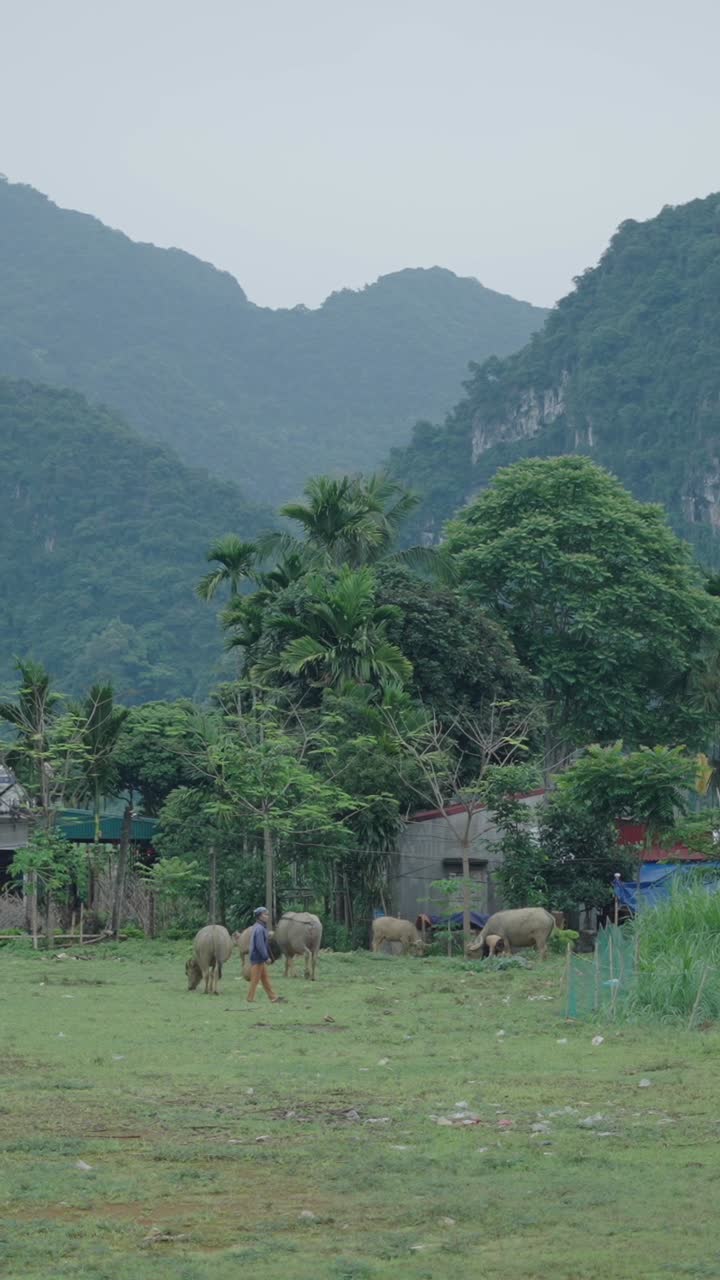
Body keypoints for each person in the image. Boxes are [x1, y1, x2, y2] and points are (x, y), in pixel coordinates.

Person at [247, 907, 280, 1004]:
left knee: (265, 979)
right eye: (265, 914)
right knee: (255, 980)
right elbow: (260, 945)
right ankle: (250, 998)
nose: (267, 916)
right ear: (260, 916)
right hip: (258, 957)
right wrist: (266, 957)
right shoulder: (260, 929)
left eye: (267, 914)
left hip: (259, 957)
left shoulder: (259, 927)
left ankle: (273, 997)